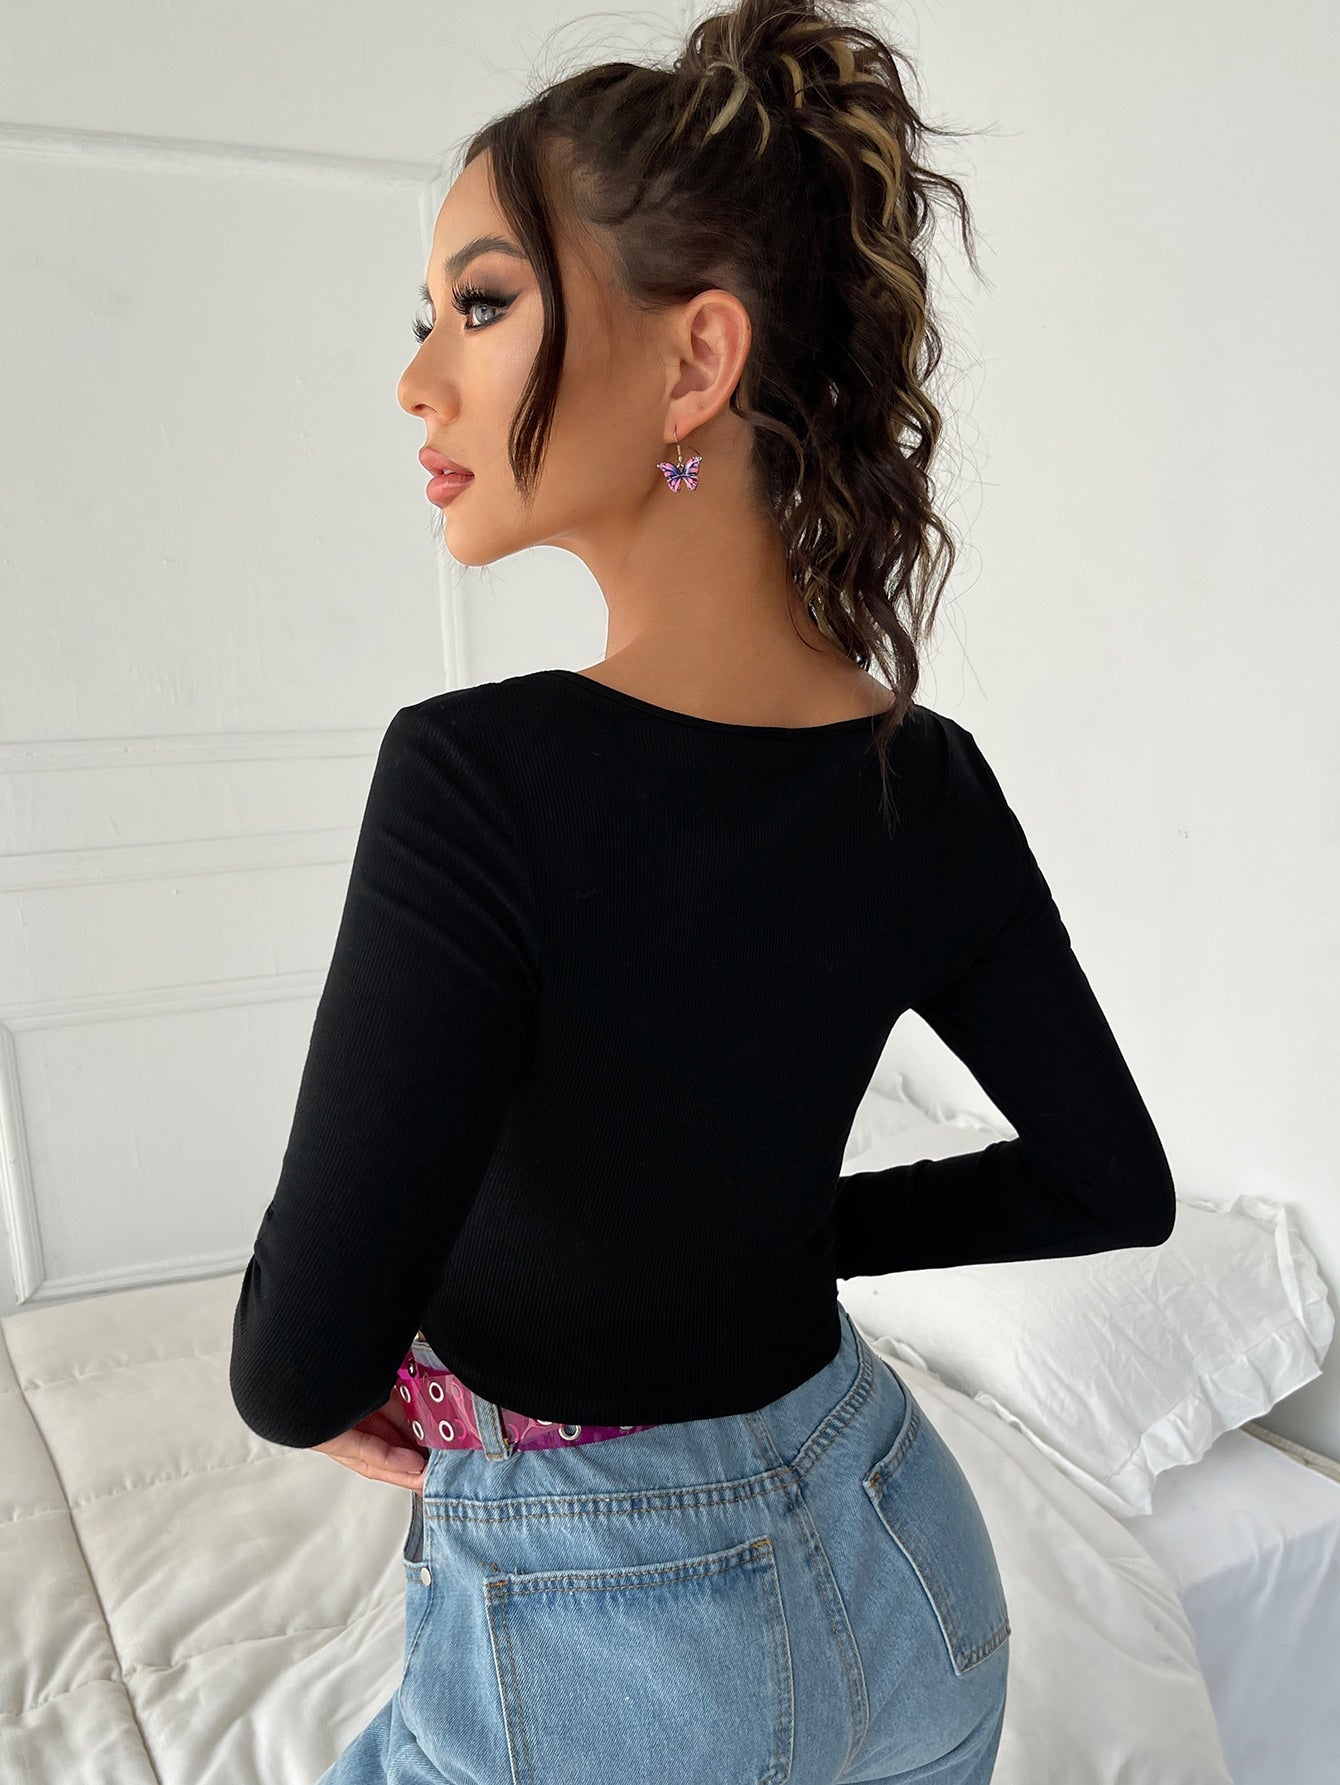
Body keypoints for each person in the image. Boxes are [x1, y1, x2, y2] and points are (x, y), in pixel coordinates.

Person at [229, 3, 1177, 1780]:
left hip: (610, 1641)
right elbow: (1111, 1183)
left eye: (480, 305)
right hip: (910, 1572)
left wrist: (333, 1339)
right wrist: (786, 1225)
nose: (419, 379)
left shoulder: (475, 777)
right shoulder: (927, 777)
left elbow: (293, 1371)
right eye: (423, 317)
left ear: (694, 365)